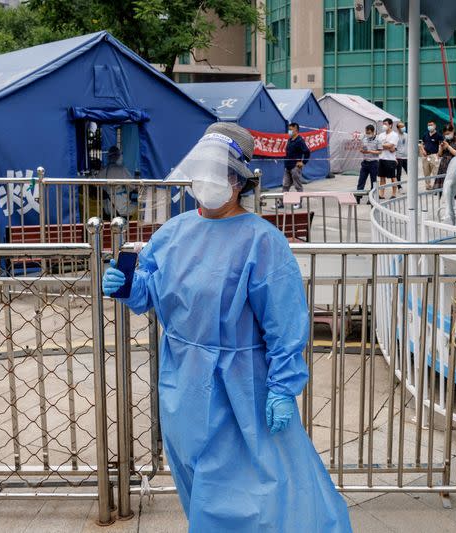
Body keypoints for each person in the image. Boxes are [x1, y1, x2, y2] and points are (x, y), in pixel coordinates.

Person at [102, 122, 352, 533]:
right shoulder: (174, 233)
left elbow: (285, 323)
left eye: (220, 174)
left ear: (239, 181)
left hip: (241, 389)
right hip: (182, 385)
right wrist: (128, 286)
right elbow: (152, 291)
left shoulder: (263, 242)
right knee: (197, 482)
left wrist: (283, 388)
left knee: (247, 494)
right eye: (204, 172)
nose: (209, 182)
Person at [281, 122, 310, 208]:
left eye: (291, 130)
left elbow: (307, 152)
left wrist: (303, 162)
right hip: (287, 167)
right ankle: (281, 203)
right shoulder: (290, 140)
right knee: (285, 185)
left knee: (298, 186)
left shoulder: (300, 140)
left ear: (296, 130)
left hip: (295, 167)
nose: (289, 131)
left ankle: (299, 203)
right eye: (288, 129)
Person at [356, 124, 381, 203]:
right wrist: (361, 150)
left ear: (373, 132)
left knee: (373, 181)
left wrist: (370, 151)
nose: (368, 134)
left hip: (374, 163)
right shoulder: (364, 138)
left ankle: (371, 198)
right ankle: (358, 197)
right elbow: (361, 147)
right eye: (367, 132)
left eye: (369, 132)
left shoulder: (378, 140)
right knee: (361, 180)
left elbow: (380, 151)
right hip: (365, 162)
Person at [376, 117, 399, 199]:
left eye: (385, 124)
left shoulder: (394, 135)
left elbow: (391, 146)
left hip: (390, 159)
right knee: (382, 177)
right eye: (383, 124)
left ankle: (393, 194)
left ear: (390, 125)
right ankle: (381, 194)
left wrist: (384, 145)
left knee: (393, 177)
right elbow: (377, 146)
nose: (384, 126)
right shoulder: (381, 135)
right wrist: (386, 145)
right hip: (381, 158)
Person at [436, 123, 456, 189]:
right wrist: (441, 148)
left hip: (454, 165)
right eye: (445, 134)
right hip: (444, 165)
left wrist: (448, 147)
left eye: (448, 133)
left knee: (453, 187)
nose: (447, 135)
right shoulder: (444, 140)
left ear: (453, 131)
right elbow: (439, 154)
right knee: (444, 188)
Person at [420, 120, 443, 189]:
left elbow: (441, 145)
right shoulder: (425, 135)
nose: (430, 126)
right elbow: (421, 144)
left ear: (435, 126)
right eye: (428, 125)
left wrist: (439, 154)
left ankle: (436, 185)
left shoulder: (438, 135)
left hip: (434, 155)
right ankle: (428, 185)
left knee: (435, 171)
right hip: (425, 156)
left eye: (431, 125)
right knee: (426, 171)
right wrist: (423, 151)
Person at [395, 121, 408, 187]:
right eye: (401, 127)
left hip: (406, 157)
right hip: (398, 157)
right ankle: (399, 187)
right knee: (398, 173)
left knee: (410, 171)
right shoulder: (395, 136)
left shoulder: (407, 135)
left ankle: (412, 186)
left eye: (404, 126)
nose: (403, 128)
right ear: (398, 128)